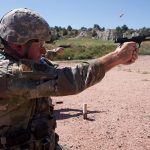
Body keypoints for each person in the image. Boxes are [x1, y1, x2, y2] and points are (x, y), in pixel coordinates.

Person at [0, 8, 138, 150]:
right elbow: (69, 78)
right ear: (17, 45)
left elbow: (60, 71)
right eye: (40, 45)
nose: (43, 51)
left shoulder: (29, 62)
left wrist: (118, 58)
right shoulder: (8, 74)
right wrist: (116, 57)